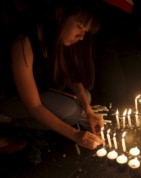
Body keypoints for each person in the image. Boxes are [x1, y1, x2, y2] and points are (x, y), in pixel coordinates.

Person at [0, 0, 104, 150]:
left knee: (85, 98)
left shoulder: (57, 39)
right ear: (60, 15)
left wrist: (89, 111)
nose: (81, 36)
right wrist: (75, 134)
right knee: (71, 111)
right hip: (11, 100)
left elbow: (72, 77)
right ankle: (9, 121)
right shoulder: (24, 44)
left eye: (85, 31)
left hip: (41, 93)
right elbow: (34, 106)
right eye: (79, 26)